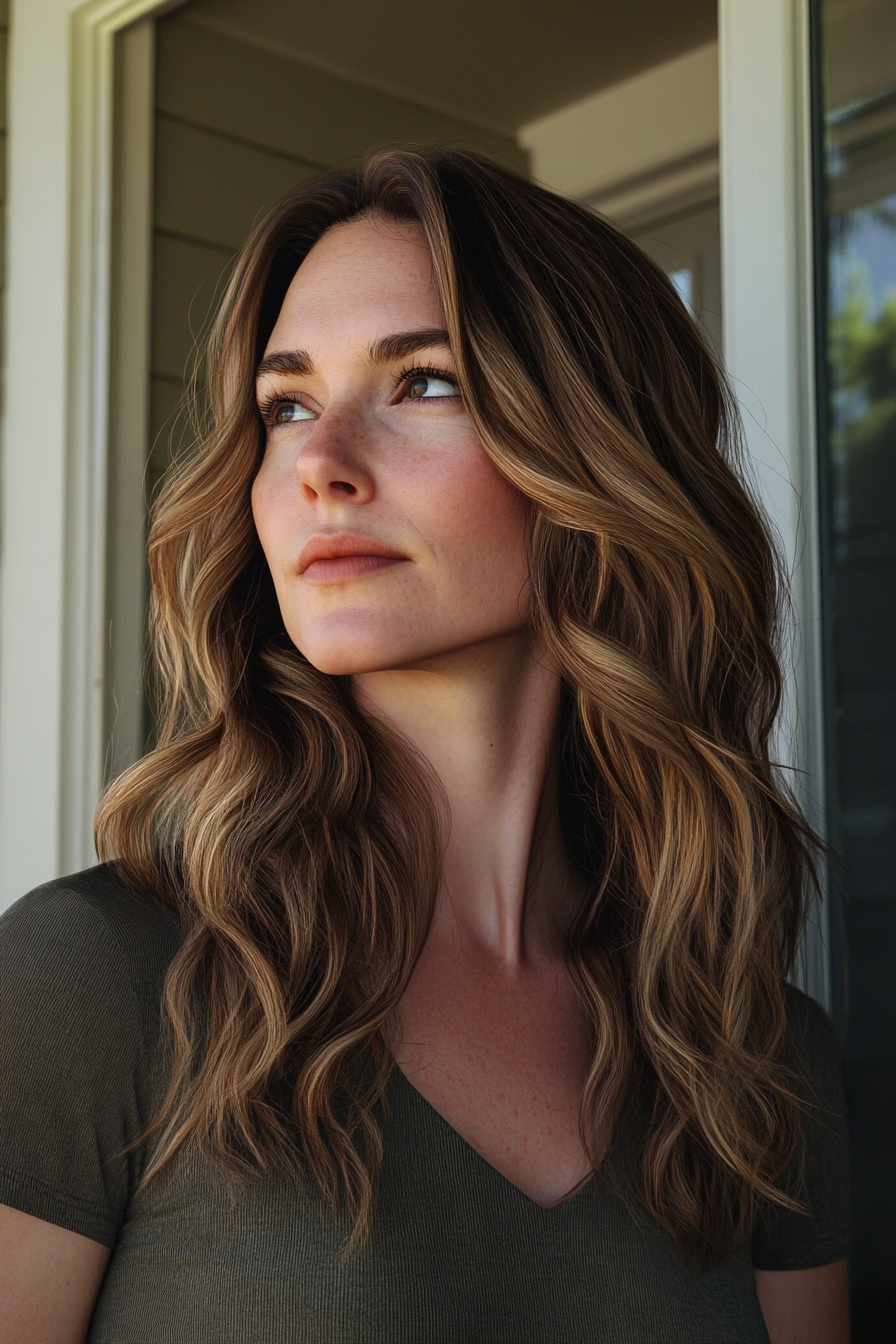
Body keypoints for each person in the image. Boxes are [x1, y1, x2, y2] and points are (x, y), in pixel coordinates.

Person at [0, 149, 850, 1344]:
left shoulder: (751, 1055)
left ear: (596, 455)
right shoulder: (90, 983)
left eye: (425, 385)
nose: (318, 465)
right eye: (285, 405)